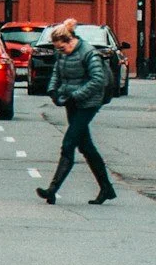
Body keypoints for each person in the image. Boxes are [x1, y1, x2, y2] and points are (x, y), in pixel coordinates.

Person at [37, 18, 116, 205]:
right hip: (71, 101)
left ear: (71, 40)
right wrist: (53, 91)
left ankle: (52, 189)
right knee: (86, 146)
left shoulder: (89, 53)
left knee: (69, 143)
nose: (60, 52)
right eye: (57, 49)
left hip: (88, 103)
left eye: (62, 48)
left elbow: (98, 80)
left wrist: (77, 95)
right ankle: (106, 188)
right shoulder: (62, 53)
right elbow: (57, 72)